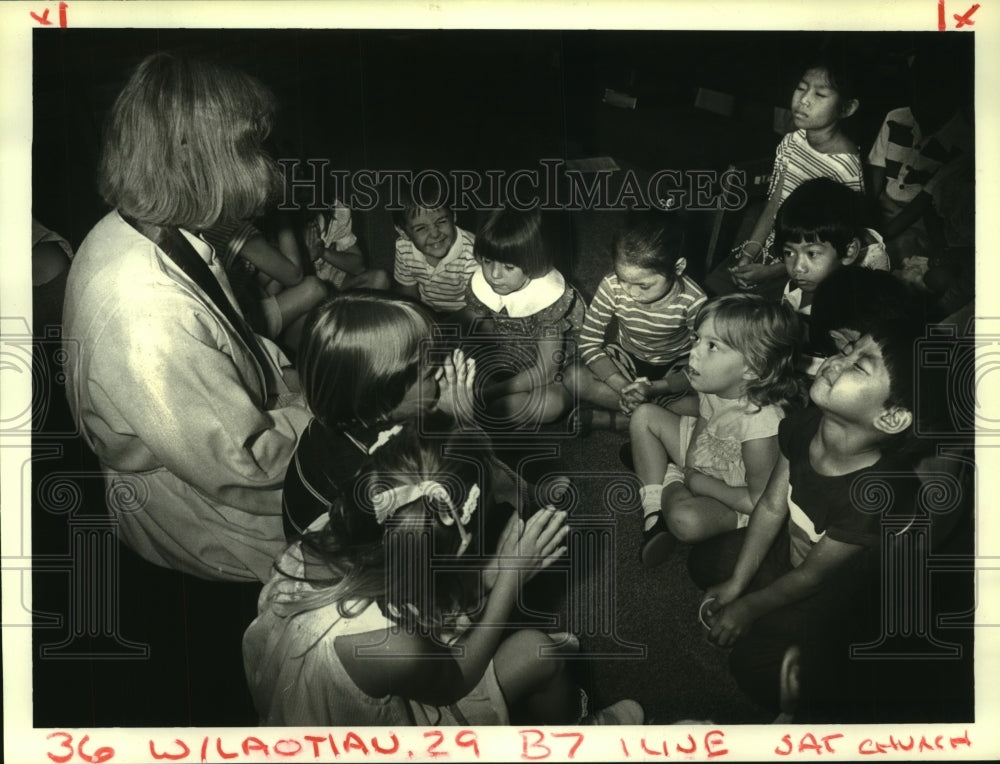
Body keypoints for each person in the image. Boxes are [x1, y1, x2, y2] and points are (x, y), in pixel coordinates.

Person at [61, 52, 313, 724]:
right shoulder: (146, 311)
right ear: (199, 160)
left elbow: (225, 333)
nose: (266, 160)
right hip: (192, 498)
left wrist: (286, 384)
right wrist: (336, 423)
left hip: (201, 440)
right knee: (343, 564)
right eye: (251, 146)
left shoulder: (149, 228)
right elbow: (244, 464)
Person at [244, 417, 644, 726]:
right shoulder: (392, 646)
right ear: (463, 545)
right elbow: (455, 679)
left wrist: (491, 574)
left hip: (301, 692)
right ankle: (578, 737)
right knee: (541, 654)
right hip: (365, 725)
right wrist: (508, 581)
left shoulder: (335, 527)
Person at [689, 313, 924, 712]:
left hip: (833, 595)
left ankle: (818, 703)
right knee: (706, 563)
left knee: (752, 666)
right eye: (847, 350)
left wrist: (748, 605)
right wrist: (738, 582)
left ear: (891, 417)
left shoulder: (877, 494)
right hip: (791, 553)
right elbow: (771, 504)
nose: (834, 362)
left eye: (859, 367)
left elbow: (815, 576)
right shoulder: (807, 422)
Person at [283, 291, 479, 540]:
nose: (443, 372)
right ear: (382, 397)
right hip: (359, 565)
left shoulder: (339, 418)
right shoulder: (391, 467)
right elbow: (453, 516)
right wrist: (459, 424)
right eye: (431, 374)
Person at [629, 295, 801, 567]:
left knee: (686, 521)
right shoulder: (712, 384)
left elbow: (759, 501)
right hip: (708, 455)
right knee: (644, 416)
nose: (694, 352)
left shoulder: (761, 427)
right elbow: (703, 419)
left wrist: (697, 481)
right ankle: (653, 511)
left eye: (713, 346)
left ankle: (664, 474)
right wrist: (692, 460)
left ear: (752, 368)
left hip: (734, 491)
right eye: (697, 339)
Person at [706, 58, 864, 298]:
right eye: (801, 88)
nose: (804, 100)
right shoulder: (792, 142)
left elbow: (829, 248)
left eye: (820, 95)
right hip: (773, 248)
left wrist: (770, 272)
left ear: (847, 108)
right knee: (714, 288)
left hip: (807, 264)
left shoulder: (846, 168)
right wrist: (749, 253)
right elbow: (774, 204)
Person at [565, 216, 706, 433]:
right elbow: (589, 344)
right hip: (627, 358)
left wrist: (656, 388)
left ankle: (621, 420)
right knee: (573, 377)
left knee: (712, 406)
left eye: (643, 285)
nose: (630, 292)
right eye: (623, 279)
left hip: (674, 368)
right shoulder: (611, 287)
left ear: (678, 267)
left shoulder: (695, 301)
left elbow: (702, 364)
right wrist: (624, 388)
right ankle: (650, 416)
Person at [461, 207, 585, 429]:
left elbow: (546, 371)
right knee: (452, 354)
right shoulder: (488, 281)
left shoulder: (549, 300)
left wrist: (488, 393)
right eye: (488, 261)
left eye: (508, 267)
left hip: (551, 372)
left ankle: (493, 409)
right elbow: (471, 325)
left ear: (533, 262)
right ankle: (491, 409)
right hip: (509, 355)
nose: (494, 275)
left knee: (550, 404)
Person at [202, 212, 330, 353]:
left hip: (216, 322)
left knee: (275, 280)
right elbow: (295, 275)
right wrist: (283, 217)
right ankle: (287, 358)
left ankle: (284, 355)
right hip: (231, 330)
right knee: (315, 288)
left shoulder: (212, 220)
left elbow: (276, 273)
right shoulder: (234, 229)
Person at [393, 177, 478, 314]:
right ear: (403, 232)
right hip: (428, 311)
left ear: (454, 215)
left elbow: (476, 309)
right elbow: (409, 295)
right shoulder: (403, 247)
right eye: (421, 228)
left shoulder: (472, 254)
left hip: (464, 313)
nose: (434, 234)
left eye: (441, 221)